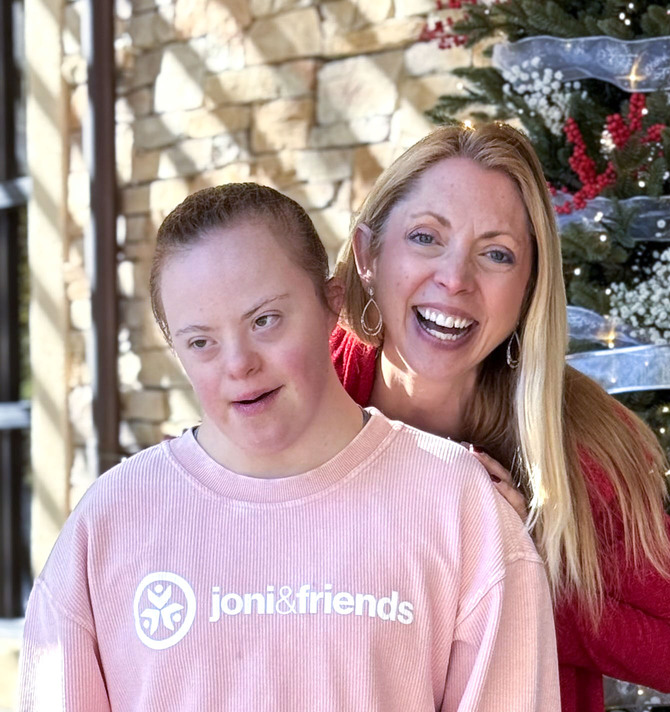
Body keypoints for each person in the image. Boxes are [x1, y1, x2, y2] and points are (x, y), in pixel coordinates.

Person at [18, 183, 560, 711]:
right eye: (201, 342)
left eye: (265, 321)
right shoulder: (109, 523)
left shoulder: (459, 505)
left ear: (329, 305)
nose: (238, 364)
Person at [332, 123, 670, 712]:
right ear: (368, 255)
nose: (455, 279)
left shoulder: (581, 439)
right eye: (426, 237)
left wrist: (525, 564)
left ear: (529, 289)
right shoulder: (308, 384)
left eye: (497, 254)